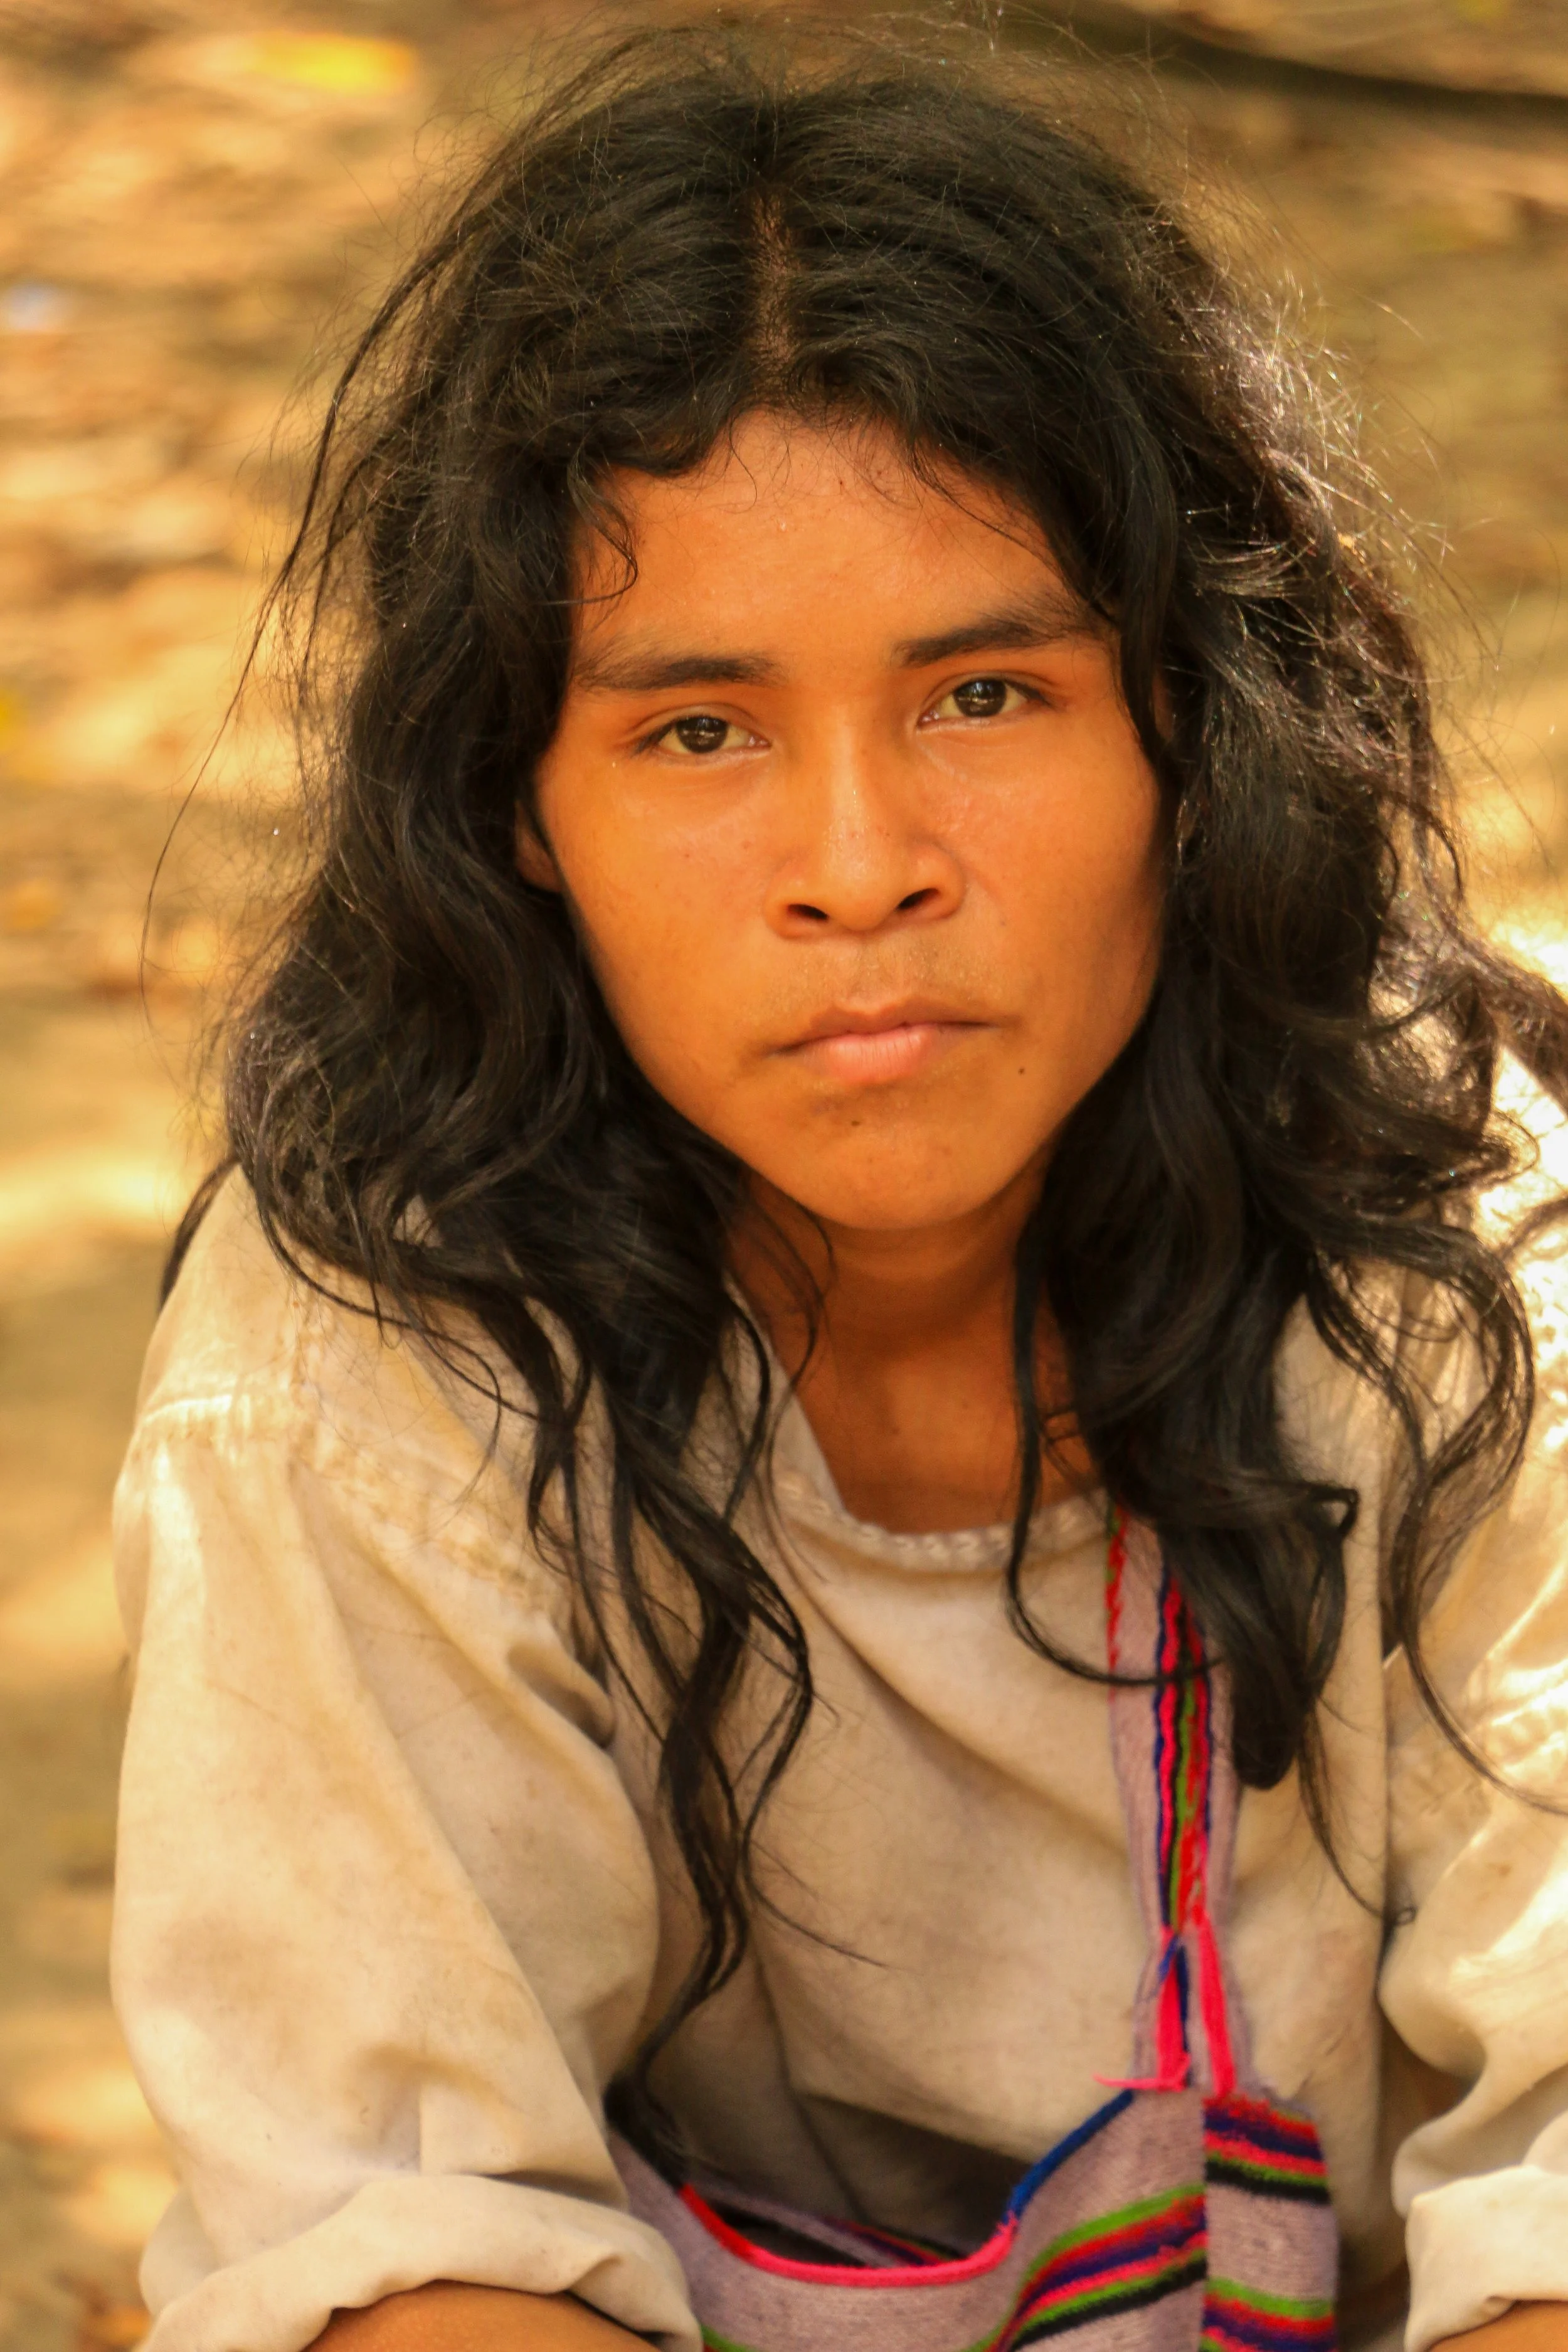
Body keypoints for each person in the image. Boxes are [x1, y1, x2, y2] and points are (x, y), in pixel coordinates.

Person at [110, 23, 1568, 2352]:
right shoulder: (364, 1361)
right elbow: (397, 2249)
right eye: (697, 731)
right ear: (517, 809)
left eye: (983, 696)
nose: (860, 868)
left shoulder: (1473, 1290)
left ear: (1191, 728)